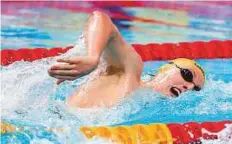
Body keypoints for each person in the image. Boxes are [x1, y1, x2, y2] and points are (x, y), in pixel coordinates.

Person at [48, 11, 205, 108]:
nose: (188, 86)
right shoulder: (129, 72)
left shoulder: (143, 106)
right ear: (165, 68)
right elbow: (100, 18)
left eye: (195, 88)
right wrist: (92, 57)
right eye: (188, 75)